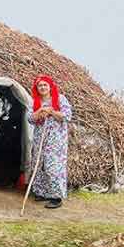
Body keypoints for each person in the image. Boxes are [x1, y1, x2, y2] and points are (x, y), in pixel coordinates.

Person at [27, 75, 72, 209]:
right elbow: (30, 118)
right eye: (40, 85)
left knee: (53, 166)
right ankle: (42, 192)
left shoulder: (60, 99)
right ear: (37, 88)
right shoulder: (35, 102)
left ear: (50, 86)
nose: (42, 87)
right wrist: (40, 111)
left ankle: (56, 196)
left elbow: (67, 116)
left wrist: (51, 111)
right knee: (39, 165)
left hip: (56, 140)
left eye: (45, 85)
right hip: (40, 138)